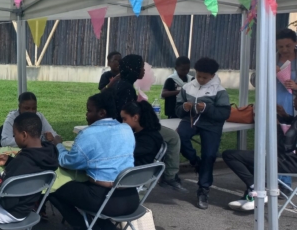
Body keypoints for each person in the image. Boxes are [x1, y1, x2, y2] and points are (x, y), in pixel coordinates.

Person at [48, 90, 136, 230]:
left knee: (53, 188)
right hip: (132, 199)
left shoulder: (88, 134)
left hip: (106, 201)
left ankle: (85, 229)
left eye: (89, 110)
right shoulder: (126, 129)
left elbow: (68, 162)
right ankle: (106, 226)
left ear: (102, 112)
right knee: (80, 190)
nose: (86, 115)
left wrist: (58, 145)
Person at [109, 54, 186, 192]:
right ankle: (170, 177)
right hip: (135, 128)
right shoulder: (126, 88)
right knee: (173, 137)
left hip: (131, 126)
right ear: (134, 69)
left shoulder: (121, 84)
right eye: (141, 68)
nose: (144, 71)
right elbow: (129, 117)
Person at [176, 57, 231, 209]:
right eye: (198, 75)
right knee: (179, 137)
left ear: (212, 76)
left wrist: (206, 108)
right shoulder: (187, 87)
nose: (200, 79)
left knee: (209, 155)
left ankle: (203, 189)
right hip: (191, 120)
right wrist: (184, 108)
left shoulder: (220, 91)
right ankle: (196, 163)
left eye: (205, 77)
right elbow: (178, 109)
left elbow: (224, 113)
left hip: (212, 125)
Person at [224, 98, 297, 211]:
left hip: (288, 161)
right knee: (249, 159)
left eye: (296, 98)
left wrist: (275, 126)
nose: (293, 100)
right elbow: (292, 123)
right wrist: (283, 115)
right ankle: (253, 192)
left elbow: (285, 146)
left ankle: (259, 190)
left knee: (231, 156)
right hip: (288, 159)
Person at [120, 101, 163, 166]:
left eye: (124, 119)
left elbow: (126, 153)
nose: (123, 123)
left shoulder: (147, 140)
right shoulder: (145, 134)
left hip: (137, 172)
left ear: (135, 118)